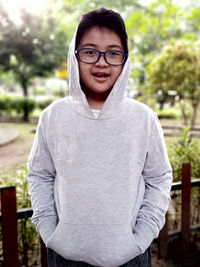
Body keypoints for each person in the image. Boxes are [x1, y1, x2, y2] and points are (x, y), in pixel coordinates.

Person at [27, 7, 172, 267]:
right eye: (90, 51)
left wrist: (141, 236)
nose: (102, 62)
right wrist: (50, 231)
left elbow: (158, 177)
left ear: (125, 59)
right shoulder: (53, 116)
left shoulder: (143, 118)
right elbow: (40, 174)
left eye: (113, 53)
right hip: (65, 256)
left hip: (130, 256)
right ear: (75, 56)